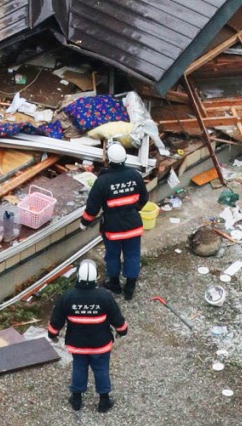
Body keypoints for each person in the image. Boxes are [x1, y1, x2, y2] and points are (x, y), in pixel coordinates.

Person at [47, 259, 127, 413]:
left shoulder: (68, 297)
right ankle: (104, 401)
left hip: (77, 345)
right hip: (101, 345)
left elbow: (56, 320)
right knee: (101, 369)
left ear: (78, 276)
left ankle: (76, 399)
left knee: (79, 368)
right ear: (95, 277)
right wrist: (122, 331)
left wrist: (52, 334)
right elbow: (117, 319)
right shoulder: (104, 296)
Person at [80, 142, 149, 300]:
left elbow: (92, 207)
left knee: (112, 256)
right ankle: (130, 287)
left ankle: (115, 284)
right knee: (132, 255)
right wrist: (133, 210)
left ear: (108, 161)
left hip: (112, 229)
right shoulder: (135, 176)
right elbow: (144, 198)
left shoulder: (103, 181)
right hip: (133, 226)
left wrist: (84, 223)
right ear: (125, 158)